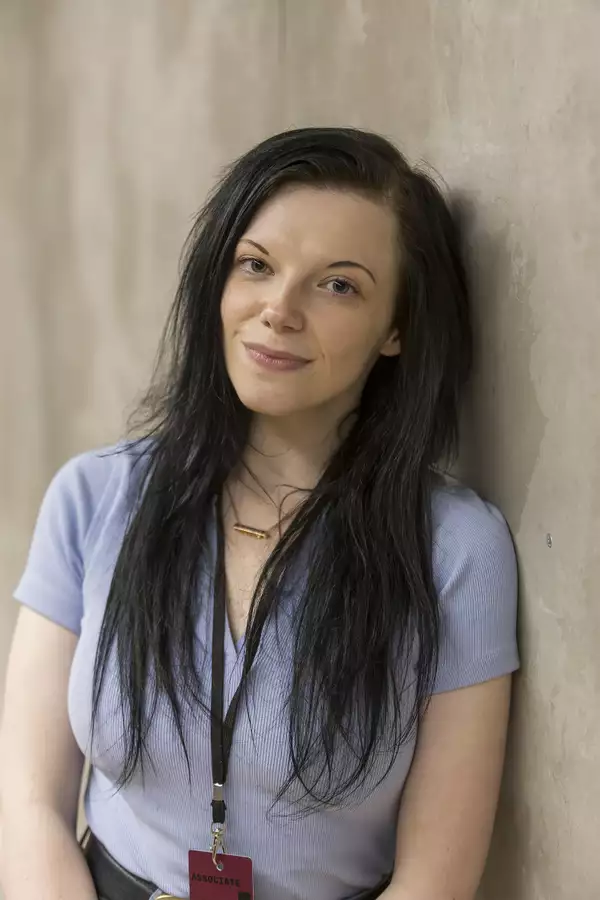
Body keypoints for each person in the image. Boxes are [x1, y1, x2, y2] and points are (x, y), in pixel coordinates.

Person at [0, 127, 519, 900]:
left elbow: (434, 881)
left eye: (338, 285)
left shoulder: (456, 551)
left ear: (398, 329)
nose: (278, 310)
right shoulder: (94, 499)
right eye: (257, 266)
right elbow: (27, 801)